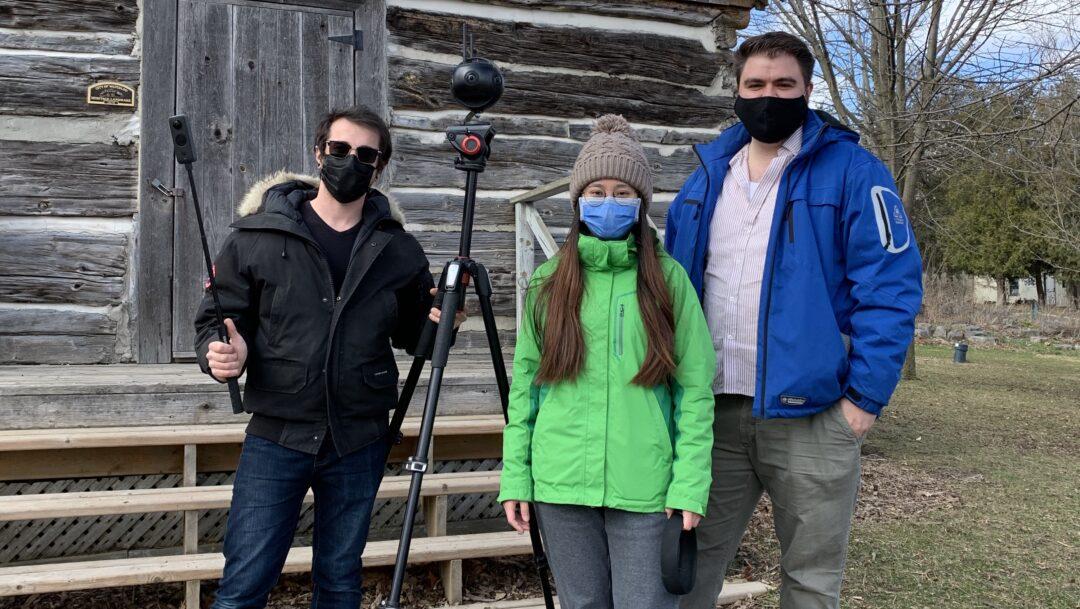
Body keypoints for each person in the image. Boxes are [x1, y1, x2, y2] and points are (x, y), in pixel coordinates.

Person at [664, 32, 924, 609]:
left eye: (784, 84)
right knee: (684, 574)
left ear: (807, 90)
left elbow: (891, 288)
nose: (769, 96)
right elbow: (672, 284)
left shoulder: (855, 172)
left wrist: (863, 400)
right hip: (711, 414)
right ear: (736, 90)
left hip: (813, 417)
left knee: (810, 581)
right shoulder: (706, 176)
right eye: (755, 84)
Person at [195, 105, 459, 609]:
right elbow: (217, 318)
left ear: (379, 167)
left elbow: (416, 340)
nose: (350, 161)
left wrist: (441, 323)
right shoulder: (257, 236)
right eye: (340, 149)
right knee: (244, 583)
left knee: (340, 582)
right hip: (278, 432)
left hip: (359, 437)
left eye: (365, 155)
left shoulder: (398, 249)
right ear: (319, 154)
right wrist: (223, 353)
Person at [497, 115, 718, 609]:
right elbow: (526, 388)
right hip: (560, 484)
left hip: (646, 487)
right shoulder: (549, 282)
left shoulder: (668, 282)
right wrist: (516, 476)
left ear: (640, 202)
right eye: (596, 192)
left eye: (622, 192)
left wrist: (689, 483)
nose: (609, 202)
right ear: (578, 201)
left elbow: (694, 389)